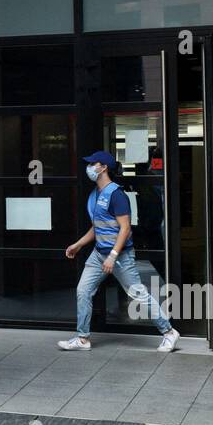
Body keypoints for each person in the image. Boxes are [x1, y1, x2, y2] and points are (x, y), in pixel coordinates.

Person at [60, 150, 180, 352]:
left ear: (103, 167)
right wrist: (79, 244)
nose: (89, 167)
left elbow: (125, 228)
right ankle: (82, 339)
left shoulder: (117, 194)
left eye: (93, 164)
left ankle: (169, 332)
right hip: (99, 254)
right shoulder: (95, 194)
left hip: (120, 256)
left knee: (138, 294)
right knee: (83, 291)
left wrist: (113, 256)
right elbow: (97, 227)